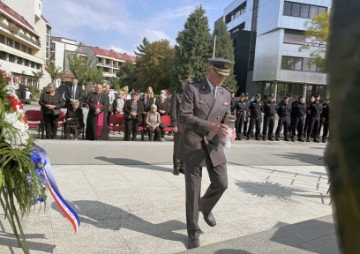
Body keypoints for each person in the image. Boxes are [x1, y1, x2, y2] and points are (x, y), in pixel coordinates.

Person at [178, 57, 236, 249]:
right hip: (194, 144)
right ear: (210, 70)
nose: (221, 79)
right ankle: (193, 232)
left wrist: (231, 132)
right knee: (193, 192)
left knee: (222, 183)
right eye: (219, 75)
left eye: (224, 77)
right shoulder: (193, 89)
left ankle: (205, 206)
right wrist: (210, 126)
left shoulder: (226, 94)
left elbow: (228, 119)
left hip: (214, 144)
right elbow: (184, 117)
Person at [171, 75, 191, 175]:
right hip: (179, 125)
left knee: (186, 147)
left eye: (188, 82)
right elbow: (173, 110)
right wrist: (174, 124)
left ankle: (183, 166)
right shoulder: (176, 94)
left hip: (189, 125)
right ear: (182, 83)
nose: (187, 84)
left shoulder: (192, 94)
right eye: (185, 82)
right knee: (178, 147)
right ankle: (176, 166)